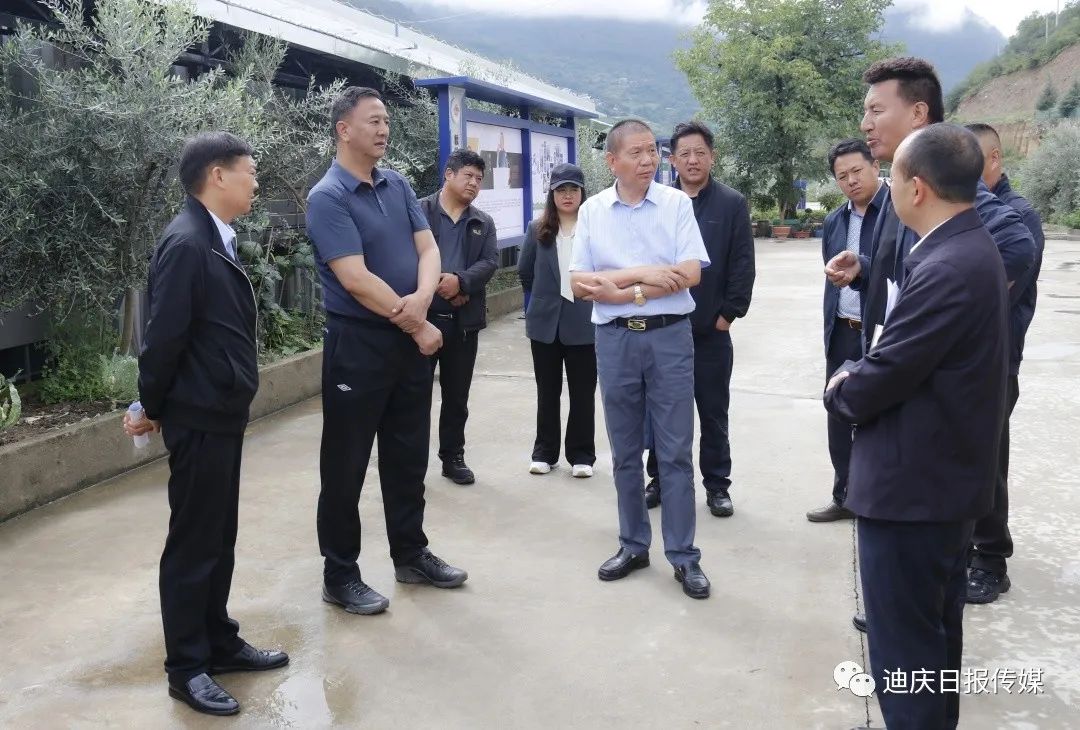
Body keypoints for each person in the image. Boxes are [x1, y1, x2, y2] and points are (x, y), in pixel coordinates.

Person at [824, 58, 1034, 633]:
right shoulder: (904, 182)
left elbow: (1013, 244)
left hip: (942, 381)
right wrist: (866, 270)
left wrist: (956, 312)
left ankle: (985, 561)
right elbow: (910, 271)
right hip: (905, 372)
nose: (865, 123)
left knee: (960, 486)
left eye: (876, 109)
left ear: (917, 113)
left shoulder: (940, 173)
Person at [825, 123, 1010, 730]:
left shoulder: (947, 265)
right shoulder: (962, 247)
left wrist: (841, 385)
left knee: (905, 655)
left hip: (914, 495)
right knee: (934, 643)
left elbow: (882, 377)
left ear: (919, 188)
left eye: (893, 174)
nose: (886, 184)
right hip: (941, 486)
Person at [124, 132, 288, 716]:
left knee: (218, 537)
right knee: (194, 544)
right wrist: (150, 406)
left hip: (219, 411)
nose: (256, 182)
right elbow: (163, 338)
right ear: (217, 175)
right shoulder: (188, 243)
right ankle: (187, 668)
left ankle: (218, 640)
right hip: (197, 415)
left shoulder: (214, 238)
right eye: (250, 171)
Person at [305, 86, 467, 617]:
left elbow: (428, 247)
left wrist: (420, 301)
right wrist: (417, 322)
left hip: (407, 340)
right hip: (359, 346)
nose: (383, 129)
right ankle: (340, 574)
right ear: (343, 129)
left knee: (407, 455)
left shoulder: (395, 184)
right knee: (346, 464)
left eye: (387, 121)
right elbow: (354, 278)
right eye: (373, 120)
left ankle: (410, 554)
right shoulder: (328, 196)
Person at [570, 119, 712, 599]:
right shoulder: (592, 211)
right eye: (637, 152)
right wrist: (648, 275)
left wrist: (620, 288)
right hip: (615, 342)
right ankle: (633, 545)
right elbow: (580, 284)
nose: (648, 160)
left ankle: (684, 555)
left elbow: (689, 273)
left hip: (669, 338)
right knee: (625, 451)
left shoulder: (676, 205)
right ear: (612, 161)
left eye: (652, 150)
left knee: (675, 451)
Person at [641, 121, 756, 518]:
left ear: (712, 157)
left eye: (700, 153)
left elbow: (742, 264)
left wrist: (728, 315)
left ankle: (717, 486)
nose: (692, 160)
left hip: (710, 333)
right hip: (663, 329)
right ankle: (658, 479)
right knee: (662, 412)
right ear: (672, 160)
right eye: (684, 154)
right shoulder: (657, 202)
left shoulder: (731, 203)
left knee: (713, 412)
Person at [964, 122, 1046, 603]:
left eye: (970, 162)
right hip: (961, 361)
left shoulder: (1017, 218)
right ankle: (961, 551)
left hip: (996, 360)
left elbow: (999, 292)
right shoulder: (960, 210)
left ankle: (992, 559)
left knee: (988, 460)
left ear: (993, 160)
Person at [806, 139, 886, 523]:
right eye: (842, 176)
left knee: (881, 417)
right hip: (842, 329)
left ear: (875, 167)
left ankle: (878, 500)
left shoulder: (898, 213)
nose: (851, 181)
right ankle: (845, 495)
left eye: (857, 171)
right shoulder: (835, 221)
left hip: (882, 331)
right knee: (838, 411)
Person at [418, 149, 498, 485]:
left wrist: (461, 282)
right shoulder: (420, 212)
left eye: (479, 179)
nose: (474, 183)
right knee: (415, 396)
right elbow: (407, 255)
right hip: (421, 322)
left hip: (463, 324)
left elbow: (489, 262)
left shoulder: (482, 222)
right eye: (468, 176)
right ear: (448, 175)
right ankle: (412, 463)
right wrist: (440, 283)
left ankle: (453, 458)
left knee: (457, 397)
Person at [518, 163, 596, 478]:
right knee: (547, 391)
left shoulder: (594, 228)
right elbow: (525, 272)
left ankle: (582, 455)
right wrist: (544, 301)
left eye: (573, 189)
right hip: (545, 325)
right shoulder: (537, 229)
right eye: (561, 190)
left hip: (584, 322)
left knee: (582, 393)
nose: (567, 195)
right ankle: (544, 453)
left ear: (582, 193)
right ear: (552, 194)